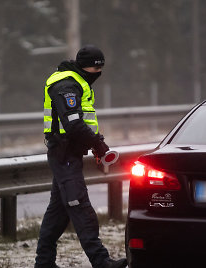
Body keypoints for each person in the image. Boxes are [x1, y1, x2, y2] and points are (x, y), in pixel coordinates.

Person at [35, 45, 127, 268]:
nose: (99, 74)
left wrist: (95, 145)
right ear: (87, 67)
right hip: (63, 153)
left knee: (58, 212)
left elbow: (80, 123)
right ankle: (101, 261)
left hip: (69, 153)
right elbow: (74, 124)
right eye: (97, 69)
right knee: (80, 206)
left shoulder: (77, 82)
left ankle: (44, 263)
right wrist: (99, 144)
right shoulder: (66, 85)